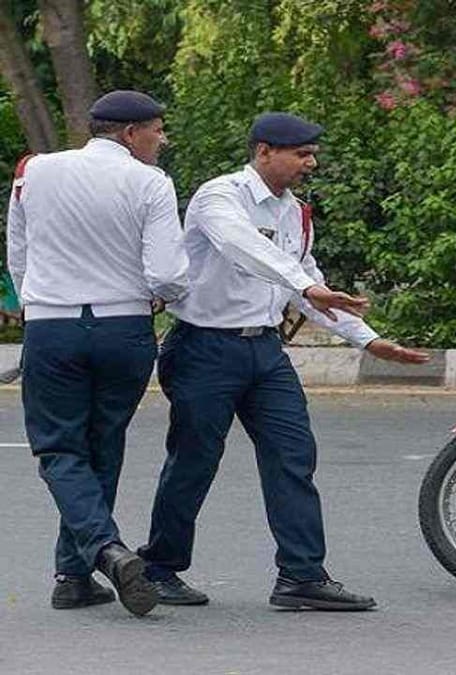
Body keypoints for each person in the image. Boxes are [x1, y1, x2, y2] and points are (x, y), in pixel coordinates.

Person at [136, 112, 430, 610]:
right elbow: (243, 248)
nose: (310, 163)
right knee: (194, 460)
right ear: (265, 151)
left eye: (312, 154)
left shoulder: (294, 212)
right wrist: (305, 285)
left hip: (264, 352)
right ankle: (160, 568)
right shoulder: (220, 195)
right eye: (301, 154)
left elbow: (307, 280)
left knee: (293, 456)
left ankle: (301, 576)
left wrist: (367, 340)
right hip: (204, 348)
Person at [7, 90, 189, 616]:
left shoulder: (34, 170)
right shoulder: (150, 182)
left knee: (61, 449)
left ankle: (100, 554)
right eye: (157, 129)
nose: (162, 139)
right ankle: (75, 574)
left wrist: (34, 303)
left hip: (54, 326)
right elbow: (167, 274)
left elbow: (18, 252)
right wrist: (162, 296)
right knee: (103, 444)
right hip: (123, 327)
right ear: (130, 134)